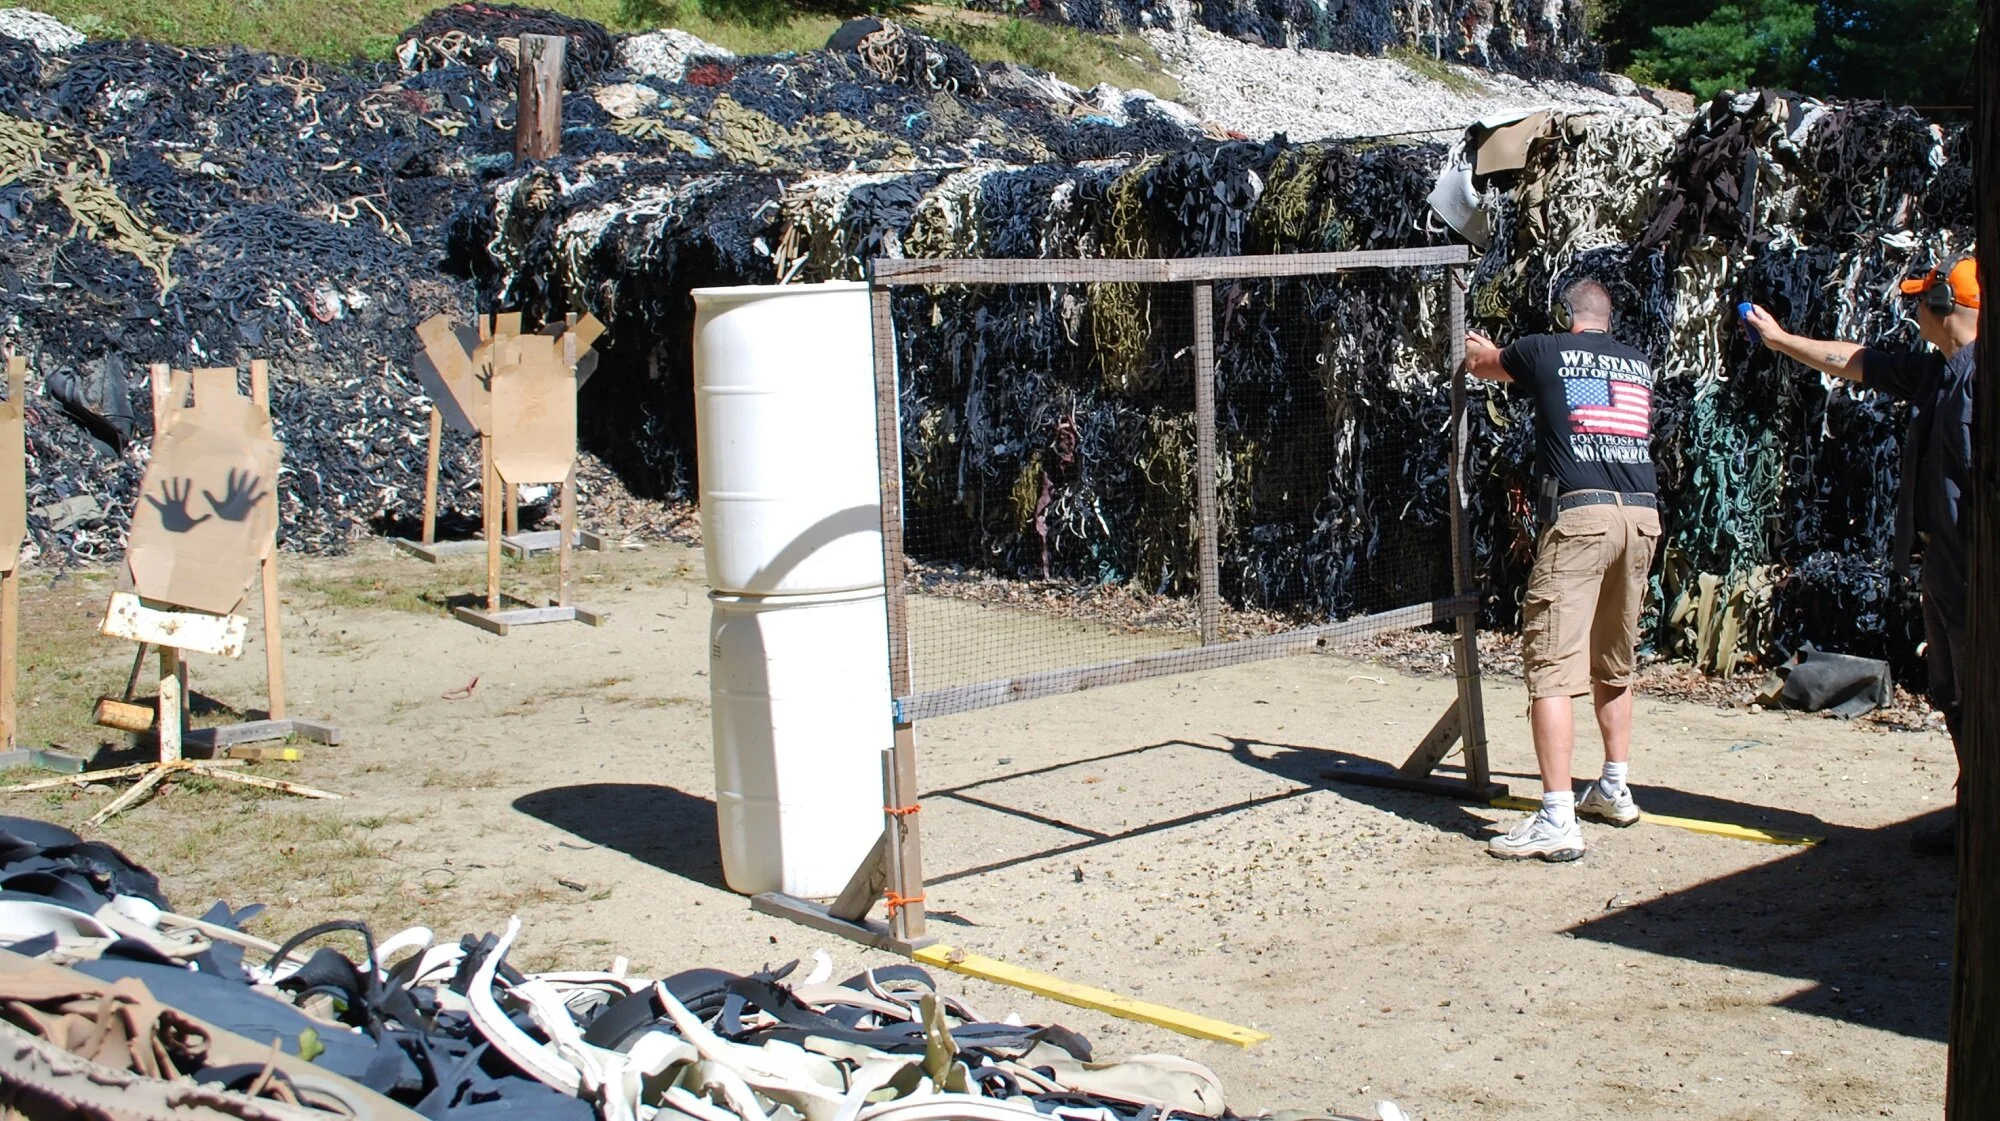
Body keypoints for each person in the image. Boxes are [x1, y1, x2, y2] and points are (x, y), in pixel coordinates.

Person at [1742, 255, 1980, 855]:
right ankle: (1973, 816)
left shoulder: (1984, 376)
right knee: (1954, 696)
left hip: (1980, 570)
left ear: (1948, 307)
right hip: (1944, 565)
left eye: (1923, 299)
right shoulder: (1936, 372)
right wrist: (1780, 341)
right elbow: (1854, 361)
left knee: (1983, 696)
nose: (1914, 308)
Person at [1463, 278, 1663, 862]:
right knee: (1614, 659)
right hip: (1641, 519)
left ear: (1563, 314)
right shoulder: (1639, 364)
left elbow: (1482, 365)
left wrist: (1479, 344)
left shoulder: (1543, 350)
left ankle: (1556, 816)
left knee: (1550, 665)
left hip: (1582, 518)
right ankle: (1614, 787)